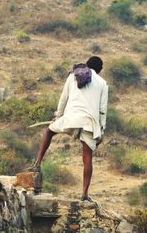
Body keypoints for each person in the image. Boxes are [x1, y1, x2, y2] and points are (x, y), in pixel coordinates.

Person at [28, 56, 108, 202]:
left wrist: (58, 116)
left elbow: (63, 98)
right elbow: (102, 110)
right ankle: (84, 195)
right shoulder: (103, 83)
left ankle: (37, 163)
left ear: (87, 65)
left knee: (49, 132)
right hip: (89, 122)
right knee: (87, 157)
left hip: (71, 116)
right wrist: (101, 131)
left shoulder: (74, 75)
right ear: (100, 69)